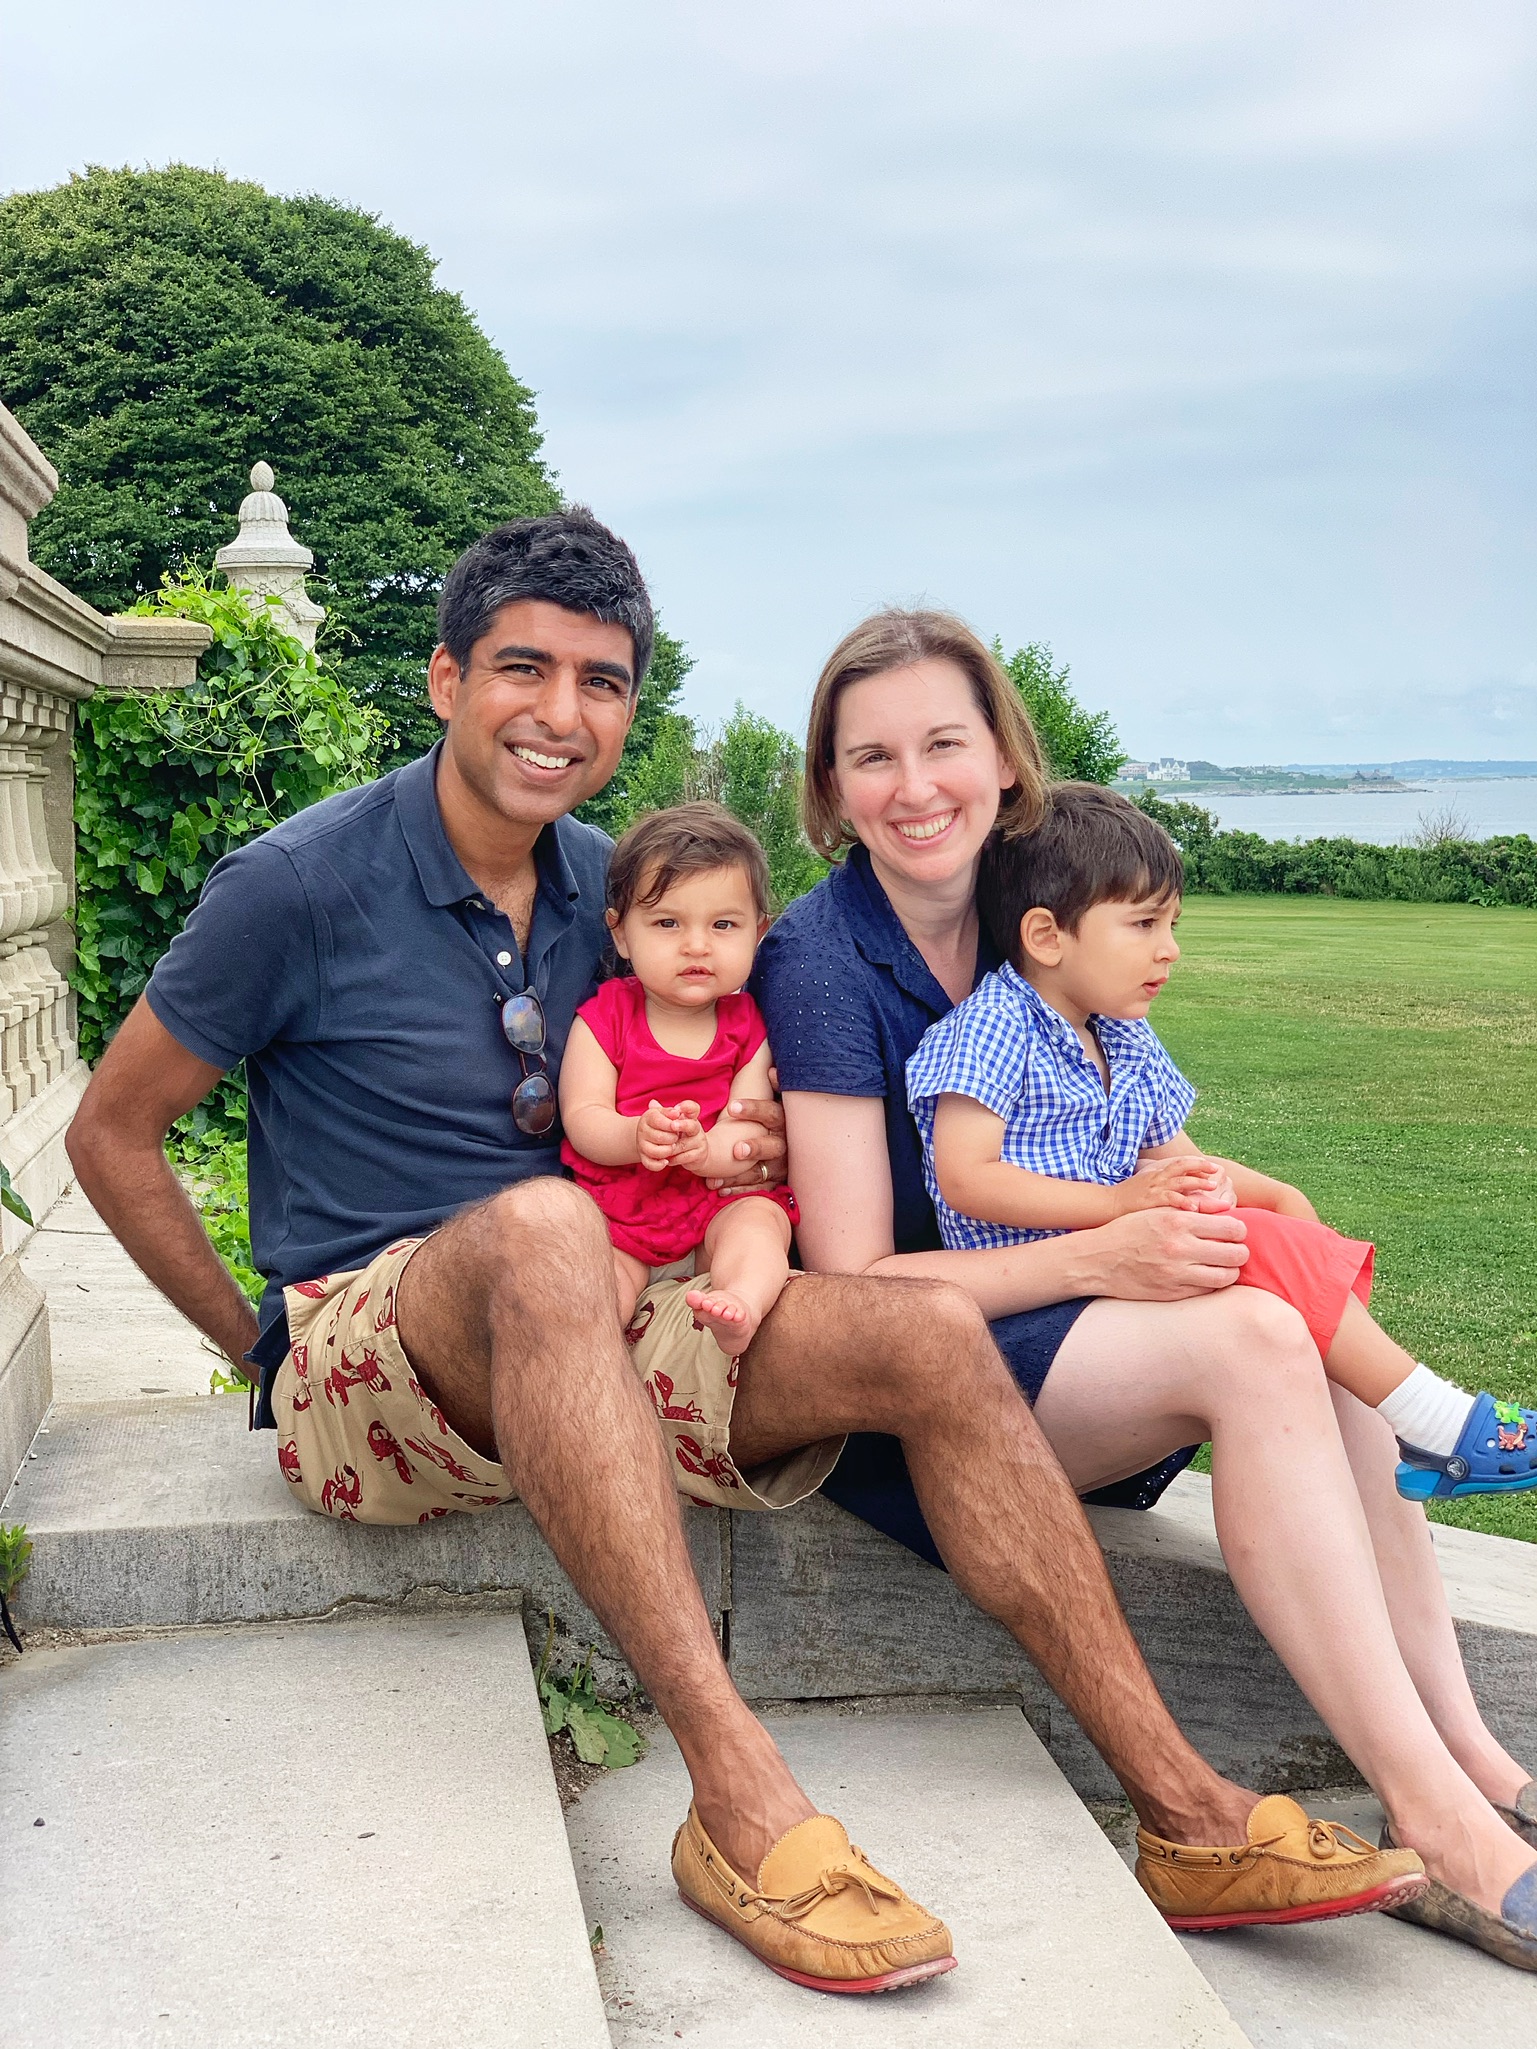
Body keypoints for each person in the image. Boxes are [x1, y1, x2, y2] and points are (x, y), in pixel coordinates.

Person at [67, 515, 1420, 1998]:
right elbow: (113, 1135)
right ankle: (739, 1798)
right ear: (446, 679)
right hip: (384, 1353)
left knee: (912, 1332)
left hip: (612, 1314)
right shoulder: (298, 884)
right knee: (543, 1223)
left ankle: (1189, 1810)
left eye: (602, 681)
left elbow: (718, 1076)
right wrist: (262, 1353)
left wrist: (749, 1147)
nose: (562, 713)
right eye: (523, 667)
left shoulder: (620, 884)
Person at [753, 605, 1537, 1967]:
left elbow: (1125, 1137)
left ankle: (1478, 1759)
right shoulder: (823, 961)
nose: (913, 784)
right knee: (1250, 1338)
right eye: (870, 757)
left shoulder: (1038, 907)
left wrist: (1238, 1192)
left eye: (944, 741)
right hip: (938, 1396)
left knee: (1300, 1302)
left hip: (1082, 1343)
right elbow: (853, 1281)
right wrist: (1103, 1251)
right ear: (830, 789)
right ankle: (1443, 1829)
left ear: (1003, 754)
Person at [909, 781, 1537, 1508]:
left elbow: (1179, 1157)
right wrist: (1116, 1202)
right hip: (1033, 1308)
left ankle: (1415, 1421)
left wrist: (1261, 1192)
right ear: (1046, 935)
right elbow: (965, 1177)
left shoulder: (1118, 1031)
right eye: (1142, 924)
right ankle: (1436, 1419)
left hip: (1120, 1277)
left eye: (1171, 924)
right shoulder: (994, 1026)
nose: (1168, 950)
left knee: (1268, 1222)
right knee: (1260, 1249)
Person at [559, 803, 797, 1359]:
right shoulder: (605, 1016)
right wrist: (636, 1136)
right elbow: (582, 1115)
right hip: (621, 1211)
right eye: (668, 923)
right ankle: (595, 1345)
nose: (696, 945)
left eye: (723, 925)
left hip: (713, 1202)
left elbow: (743, 1127)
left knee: (761, 1224)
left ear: (758, 933)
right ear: (620, 934)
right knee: (598, 1274)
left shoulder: (749, 1026)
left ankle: (742, 1302)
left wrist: (701, 1151)